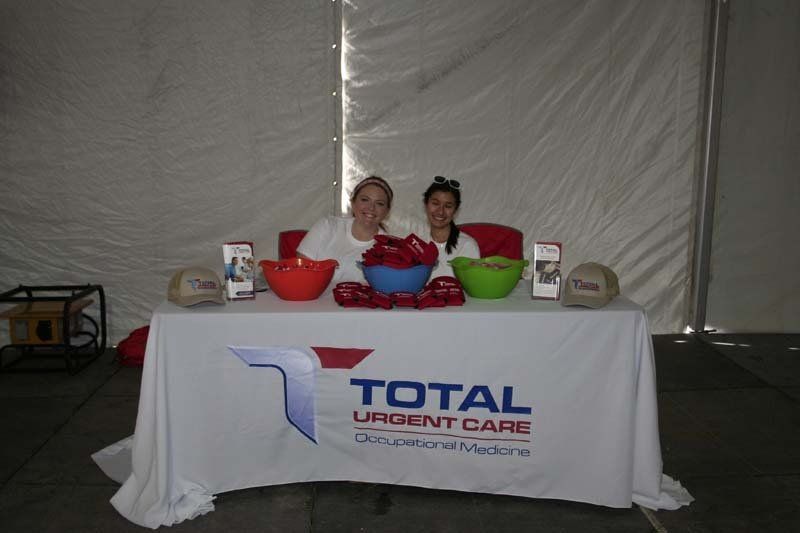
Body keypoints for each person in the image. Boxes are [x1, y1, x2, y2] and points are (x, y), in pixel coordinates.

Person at [297, 175, 393, 283]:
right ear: (353, 202)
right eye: (365, 200)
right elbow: (301, 271)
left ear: (387, 211)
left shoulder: (389, 248)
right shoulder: (328, 226)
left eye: (380, 203)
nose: (371, 207)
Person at [421, 175, 480, 278]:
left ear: (455, 210)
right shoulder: (417, 242)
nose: (440, 211)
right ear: (426, 204)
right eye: (435, 203)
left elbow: (472, 285)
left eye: (448, 206)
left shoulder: (467, 246)